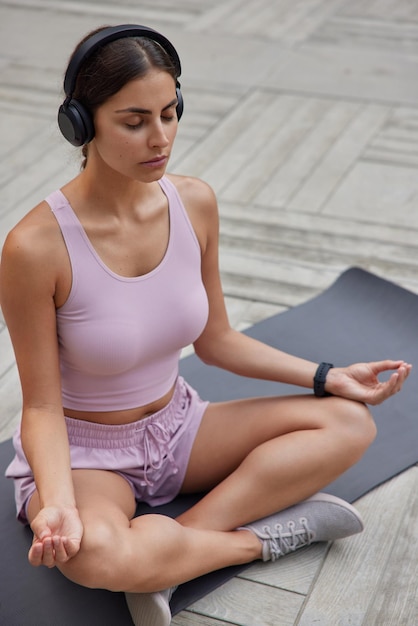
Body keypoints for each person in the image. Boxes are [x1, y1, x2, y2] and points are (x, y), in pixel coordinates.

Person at [0, 23, 411, 626]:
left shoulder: (194, 202)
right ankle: (258, 541)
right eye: (134, 121)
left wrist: (327, 376)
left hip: (179, 426)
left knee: (349, 423)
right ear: (81, 125)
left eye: (170, 113)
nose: (160, 138)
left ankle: (164, 560)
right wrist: (58, 502)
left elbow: (216, 342)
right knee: (91, 555)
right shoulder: (34, 247)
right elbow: (39, 408)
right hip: (88, 453)